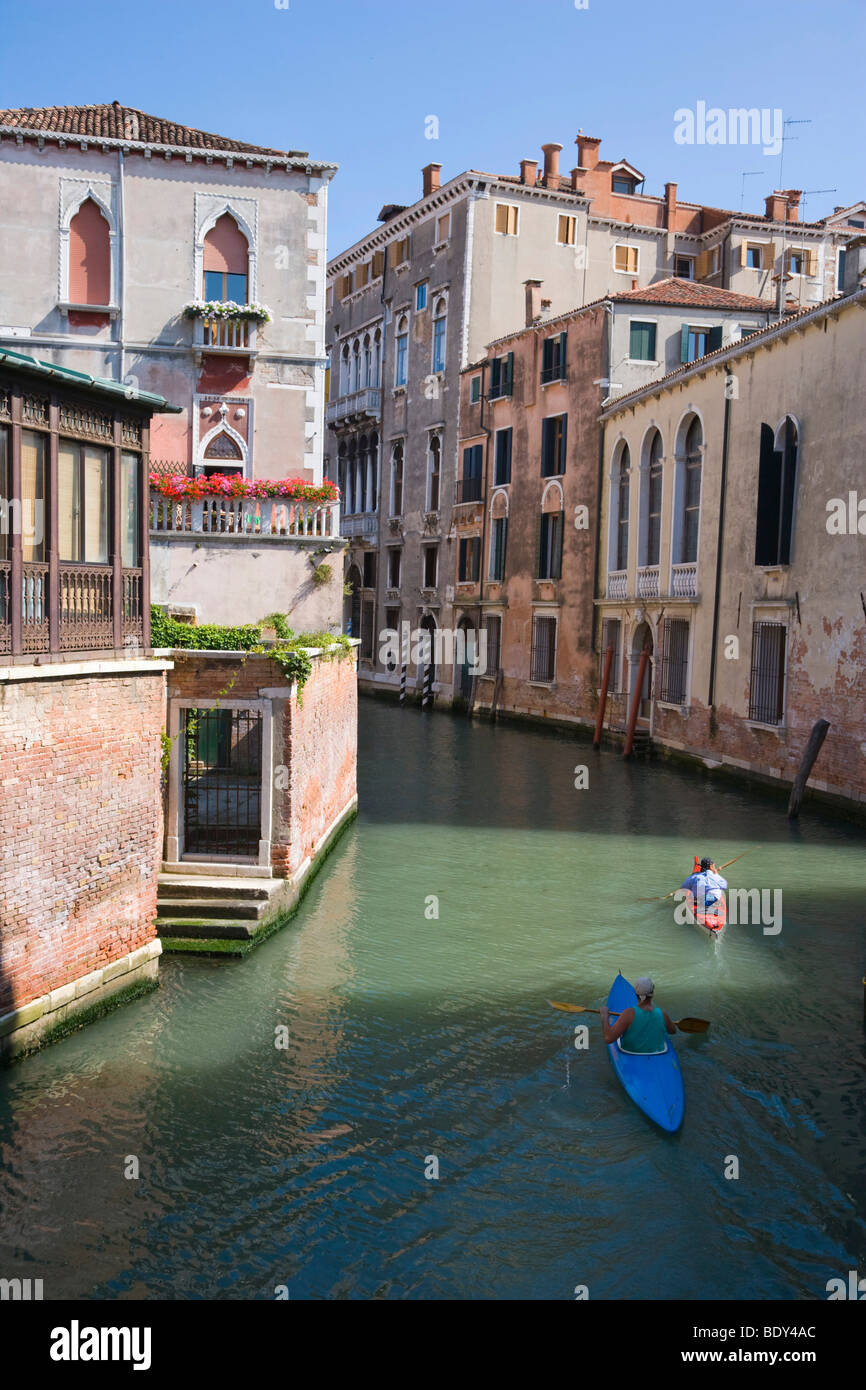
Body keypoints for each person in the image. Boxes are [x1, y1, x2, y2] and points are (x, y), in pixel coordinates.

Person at [600, 977, 676, 1054]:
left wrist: (604, 1016)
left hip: (630, 1052)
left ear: (635, 993)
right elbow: (673, 1031)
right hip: (657, 1052)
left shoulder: (628, 1014)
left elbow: (608, 1038)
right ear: (652, 993)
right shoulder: (662, 1014)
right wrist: (666, 1022)